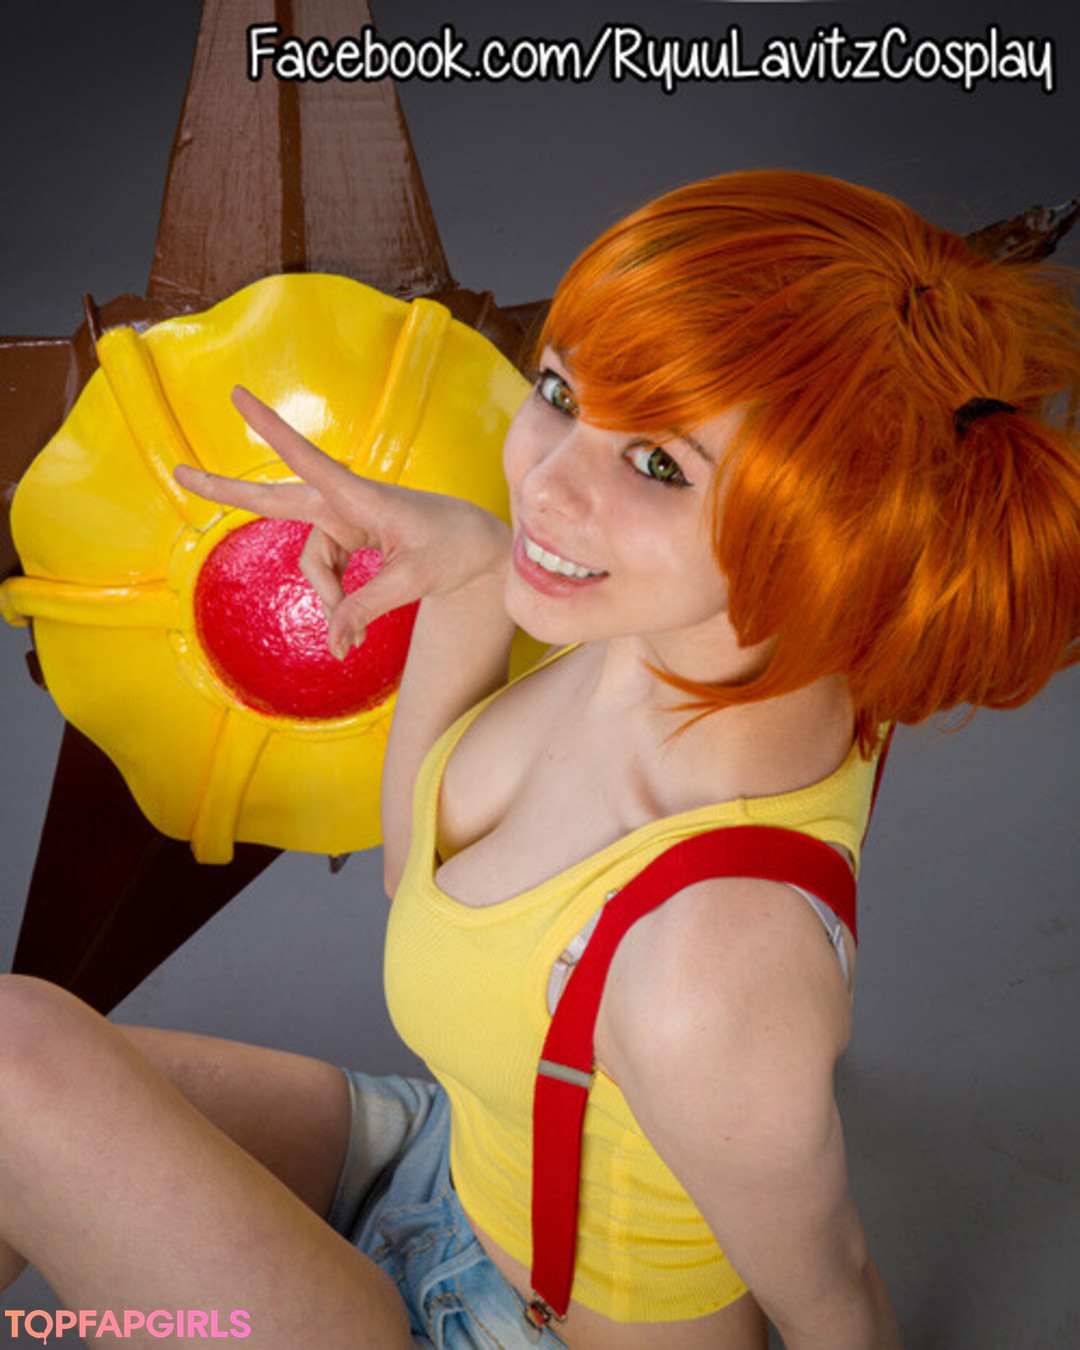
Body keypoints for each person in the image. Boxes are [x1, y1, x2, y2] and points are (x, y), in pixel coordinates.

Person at [1, 170, 1078, 1350]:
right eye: (561, 392)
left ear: (824, 536)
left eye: (659, 465)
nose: (544, 484)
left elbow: (834, 1297)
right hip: (447, 1157)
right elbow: (425, 885)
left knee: (14, 1062)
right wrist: (469, 578)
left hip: (514, 1330)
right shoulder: (692, 643)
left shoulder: (709, 972)